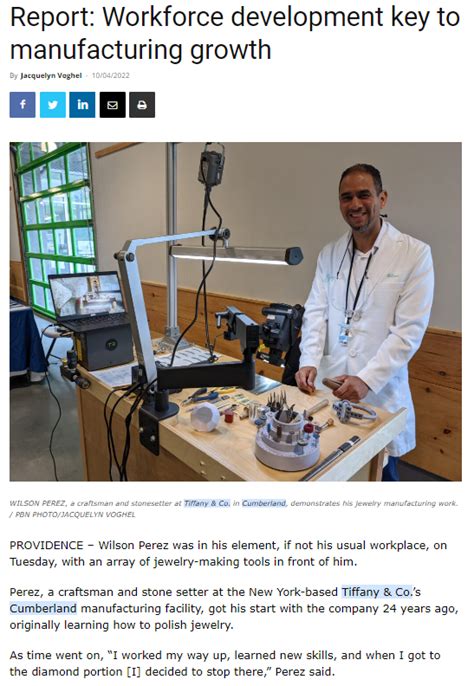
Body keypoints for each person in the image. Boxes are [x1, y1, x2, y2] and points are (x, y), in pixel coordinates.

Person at [295, 164, 434, 480]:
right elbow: (316, 312)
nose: (355, 204)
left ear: (382, 199)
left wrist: (368, 379)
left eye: (363, 195)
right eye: (346, 197)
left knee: (378, 478)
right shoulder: (330, 254)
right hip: (332, 386)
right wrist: (308, 361)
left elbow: (408, 332)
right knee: (331, 473)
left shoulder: (414, 254)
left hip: (380, 393)